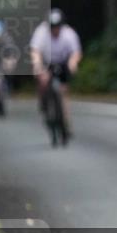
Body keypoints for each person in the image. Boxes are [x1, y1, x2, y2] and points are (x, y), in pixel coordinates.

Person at [29, 9, 83, 140]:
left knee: (63, 91)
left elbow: (76, 52)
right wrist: (38, 66)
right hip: (47, 63)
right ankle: (44, 105)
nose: (55, 30)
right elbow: (35, 51)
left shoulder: (69, 34)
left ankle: (65, 121)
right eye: (52, 27)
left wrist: (73, 63)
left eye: (57, 27)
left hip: (63, 63)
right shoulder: (41, 33)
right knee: (43, 82)